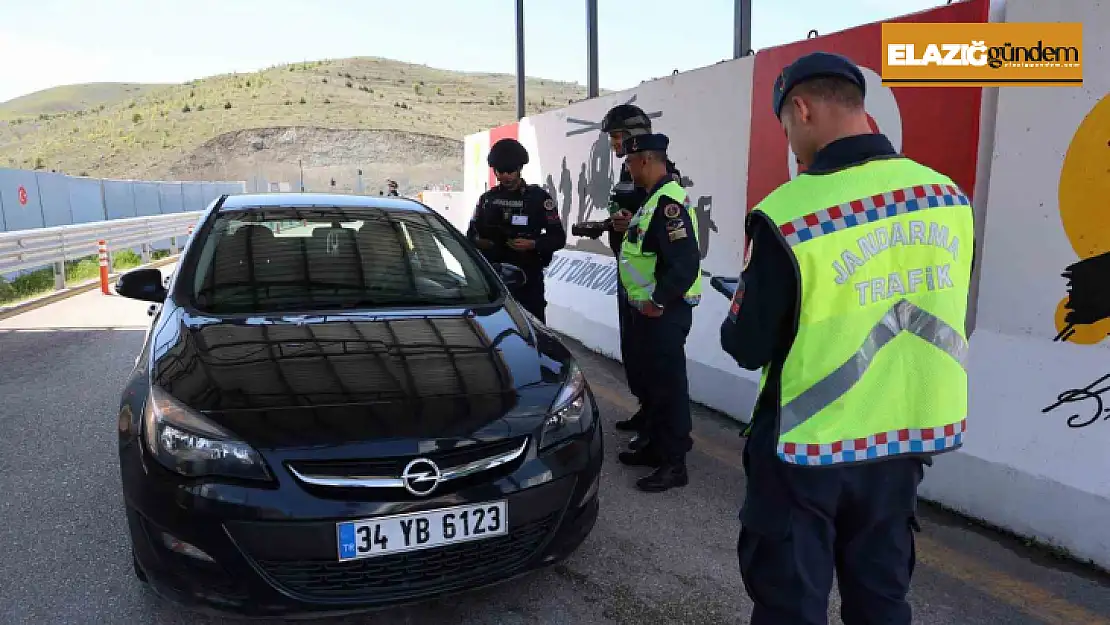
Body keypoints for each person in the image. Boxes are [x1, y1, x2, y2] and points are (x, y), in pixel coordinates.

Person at [720, 51, 974, 625]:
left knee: (791, 606)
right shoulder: (947, 198)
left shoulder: (787, 213)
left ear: (802, 109)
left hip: (807, 448)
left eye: (786, 125)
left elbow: (747, 344)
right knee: (882, 602)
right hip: (901, 444)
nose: (790, 141)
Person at [595, 104, 685, 452]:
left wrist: (629, 222)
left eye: (619, 136)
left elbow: (659, 232)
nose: (616, 144)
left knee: (656, 365)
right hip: (630, 279)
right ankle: (646, 411)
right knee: (633, 353)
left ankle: (661, 435)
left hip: (654, 286)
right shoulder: (626, 173)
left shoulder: (664, 178)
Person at [615, 132, 702, 493]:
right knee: (653, 385)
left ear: (646, 161)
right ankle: (654, 447)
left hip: (664, 313)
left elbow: (685, 264)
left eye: (631, 162)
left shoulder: (668, 205)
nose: (629, 168)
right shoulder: (651, 202)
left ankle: (674, 463)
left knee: (668, 388)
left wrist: (659, 301)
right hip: (648, 312)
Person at [468, 138, 566, 322]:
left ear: (520, 169)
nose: (505, 176)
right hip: (494, 280)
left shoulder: (538, 198)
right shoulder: (486, 200)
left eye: (510, 171)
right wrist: (485, 243)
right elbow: (470, 236)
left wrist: (534, 244)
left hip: (528, 281)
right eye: (500, 171)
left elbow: (558, 237)